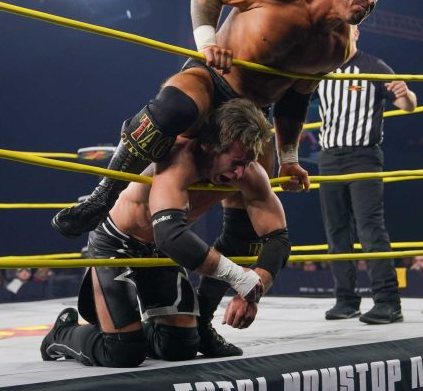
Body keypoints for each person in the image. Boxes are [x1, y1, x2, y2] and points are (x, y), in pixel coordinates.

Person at [52, 0, 395, 354]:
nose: (370, 0)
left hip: (253, 115)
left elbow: (296, 98)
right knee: (173, 110)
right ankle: (102, 198)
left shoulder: (338, 47)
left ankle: (202, 322)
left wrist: (288, 159)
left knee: (246, 224)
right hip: (213, 79)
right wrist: (207, 41)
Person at [41, 99, 290, 367]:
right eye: (236, 162)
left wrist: (254, 288)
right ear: (210, 146)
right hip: (117, 242)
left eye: (248, 161)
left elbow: (278, 238)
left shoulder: (248, 174)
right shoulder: (178, 161)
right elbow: (170, 234)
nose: (240, 172)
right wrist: (239, 277)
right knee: (122, 352)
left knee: (180, 346)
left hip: (161, 248)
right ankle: (62, 332)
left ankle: (137, 333)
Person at [317, 24, 417, 324]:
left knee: (370, 228)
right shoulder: (320, 69)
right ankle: (346, 300)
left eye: (345, 30)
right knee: (336, 232)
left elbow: (408, 105)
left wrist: (406, 93)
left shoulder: (373, 67)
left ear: (356, 34)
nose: (339, 35)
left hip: (363, 156)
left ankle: (388, 302)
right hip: (328, 158)